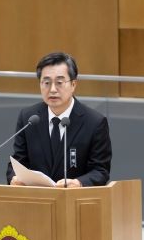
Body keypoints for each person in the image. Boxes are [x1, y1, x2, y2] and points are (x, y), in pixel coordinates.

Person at [6, 52, 111, 187]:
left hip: (74, 198)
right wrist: (14, 177)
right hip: (38, 197)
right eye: (46, 82)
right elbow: (17, 162)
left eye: (59, 83)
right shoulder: (29, 118)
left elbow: (100, 171)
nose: (52, 89)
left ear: (73, 84)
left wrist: (79, 183)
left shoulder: (94, 122)